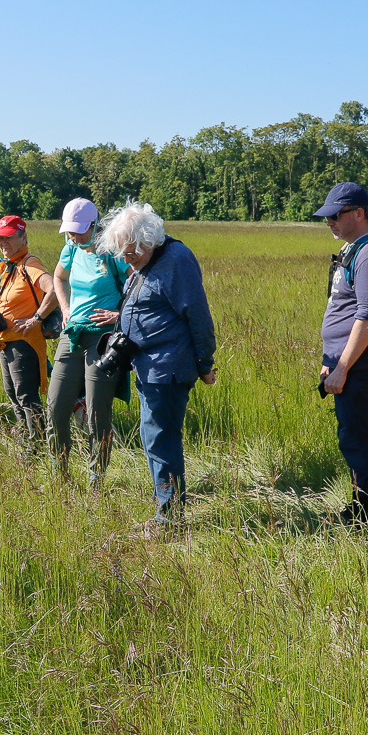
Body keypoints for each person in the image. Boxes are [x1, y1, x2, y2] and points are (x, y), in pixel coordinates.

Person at [96, 200, 217, 526]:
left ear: (150, 241)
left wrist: (205, 364)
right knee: (153, 436)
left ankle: (169, 518)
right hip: (149, 365)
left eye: (131, 253)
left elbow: (199, 316)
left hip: (168, 366)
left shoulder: (176, 260)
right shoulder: (146, 262)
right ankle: (165, 505)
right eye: (121, 254)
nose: (126, 260)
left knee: (159, 438)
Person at [313, 181, 368, 537]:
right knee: (349, 434)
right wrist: (328, 359)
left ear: (359, 213)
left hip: (355, 365)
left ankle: (367, 518)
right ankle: (359, 506)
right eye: (327, 217)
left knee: (357, 437)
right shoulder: (353, 249)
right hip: (340, 361)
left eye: (336, 215)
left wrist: (344, 366)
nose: (329, 222)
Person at [47, 197, 129, 484]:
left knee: (97, 412)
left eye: (80, 231)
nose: (74, 236)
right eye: (70, 231)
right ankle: (61, 476)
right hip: (72, 336)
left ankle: (97, 478)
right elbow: (58, 278)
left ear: (95, 225)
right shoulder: (70, 248)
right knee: (56, 407)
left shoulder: (114, 252)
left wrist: (119, 313)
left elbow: (138, 286)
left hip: (103, 339)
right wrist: (65, 309)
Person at [0, 215, 57, 445]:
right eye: (0, 238)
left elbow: (52, 289)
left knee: (27, 397)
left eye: (9, 237)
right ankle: (28, 439)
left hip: (25, 342)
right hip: (6, 342)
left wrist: (36, 318)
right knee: (13, 395)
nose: (3, 243)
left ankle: (38, 446)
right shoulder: (11, 266)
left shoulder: (30, 264)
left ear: (23, 237)